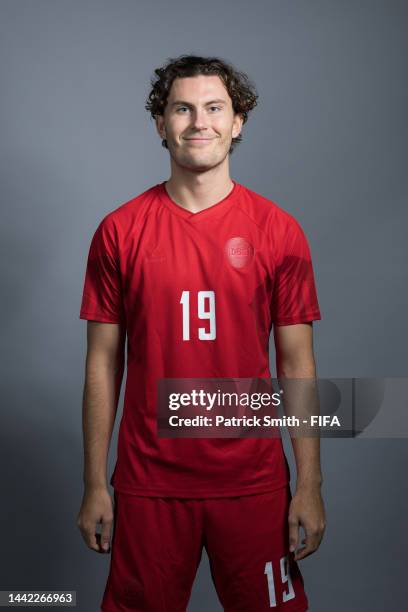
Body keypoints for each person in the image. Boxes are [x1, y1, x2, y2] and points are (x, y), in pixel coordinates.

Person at [76, 54, 326, 611]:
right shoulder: (119, 231)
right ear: (160, 123)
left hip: (254, 483)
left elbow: (297, 366)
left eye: (215, 108)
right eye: (182, 108)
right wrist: (96, 482)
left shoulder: (279, 231)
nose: (199, 122)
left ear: (238, 122)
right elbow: (101, 364)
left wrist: (309, 484)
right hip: (150, 484)